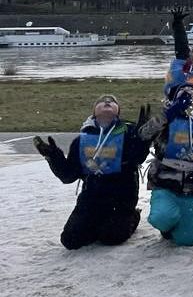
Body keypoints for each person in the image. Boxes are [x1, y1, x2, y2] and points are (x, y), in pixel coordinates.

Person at [33, 96, 156, 250]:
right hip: (91, 198)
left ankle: (132, 216)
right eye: (101, 101)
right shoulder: (82, 140)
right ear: (94, 112)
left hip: (121, 198)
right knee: (70, 240)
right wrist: (53, 156)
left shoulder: (129, 132)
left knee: (111, 237)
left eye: (112, 101)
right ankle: (99, 222)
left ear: (118, 112)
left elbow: (137, 158)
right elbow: (68, 175)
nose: (107, 101)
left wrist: (143, 139)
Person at [146, 85, 193, 246]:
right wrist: (169, 114)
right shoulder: (166, 118)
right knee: (162, 218)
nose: (189, 100)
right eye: (184, 96)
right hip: (164, 183)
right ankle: (168, 221)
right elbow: (144, 134)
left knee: (188, 239)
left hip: (192, 185)